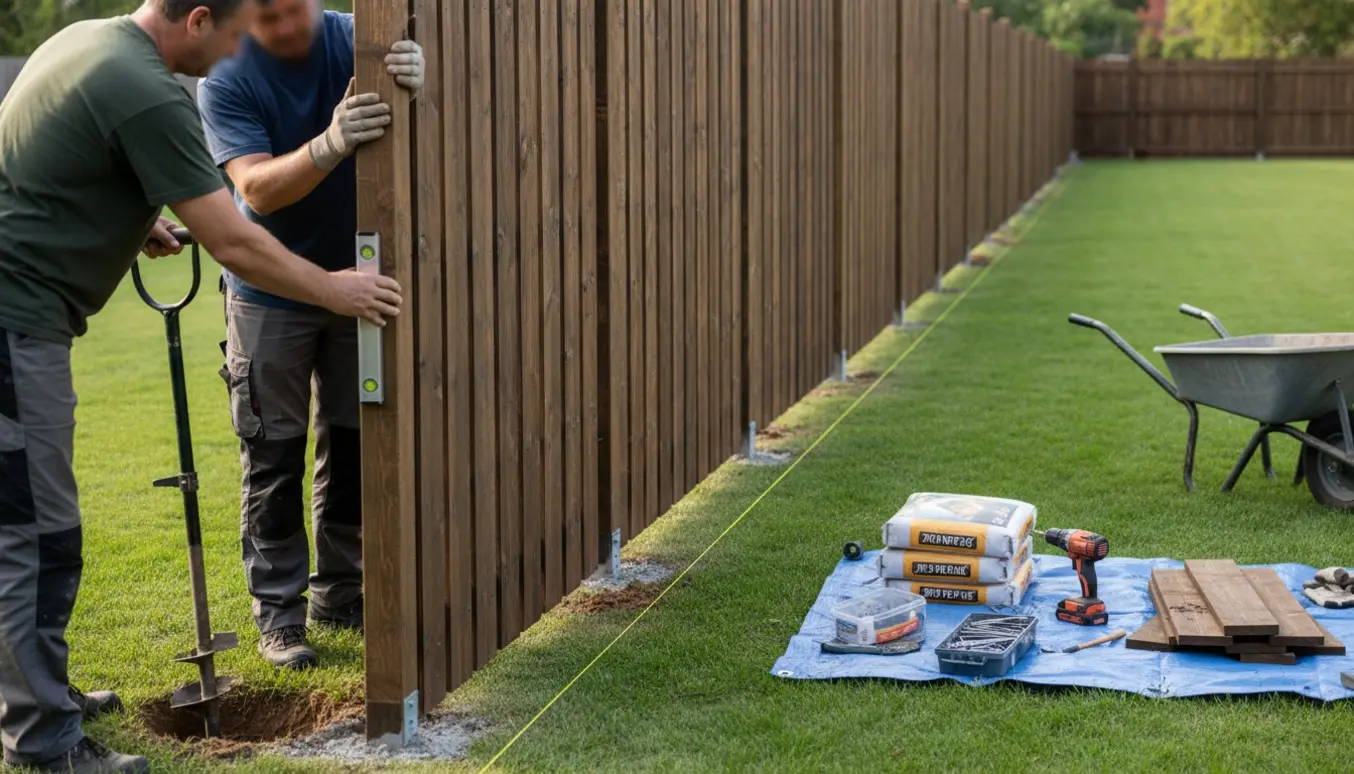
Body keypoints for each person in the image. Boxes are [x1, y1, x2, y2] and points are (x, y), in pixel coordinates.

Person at [0, 0, 403, 770]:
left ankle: (45, 695)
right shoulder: (147, 86)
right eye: (230, 35)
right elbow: (233, 238)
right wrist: (334, 289)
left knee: (37, 524)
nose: (233, 53)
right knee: (36, 536)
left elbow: (52, 164)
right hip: (14, 324)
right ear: (196, 19)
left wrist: (129, 219)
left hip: (24, 318)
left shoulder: (91, 42)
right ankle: (44, 743)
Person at [194, 0, 421, 671]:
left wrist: (427, 83)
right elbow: (256, 190)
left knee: (353, 444)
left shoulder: (364, 40)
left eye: (295, 10)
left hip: (362, 280)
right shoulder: (227, 73)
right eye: (268, 17)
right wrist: (329, 144)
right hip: (272, 295)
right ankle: (281, 616)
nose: (288, 27)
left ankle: (341, 593)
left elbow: (439, 130)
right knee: (273, 456)